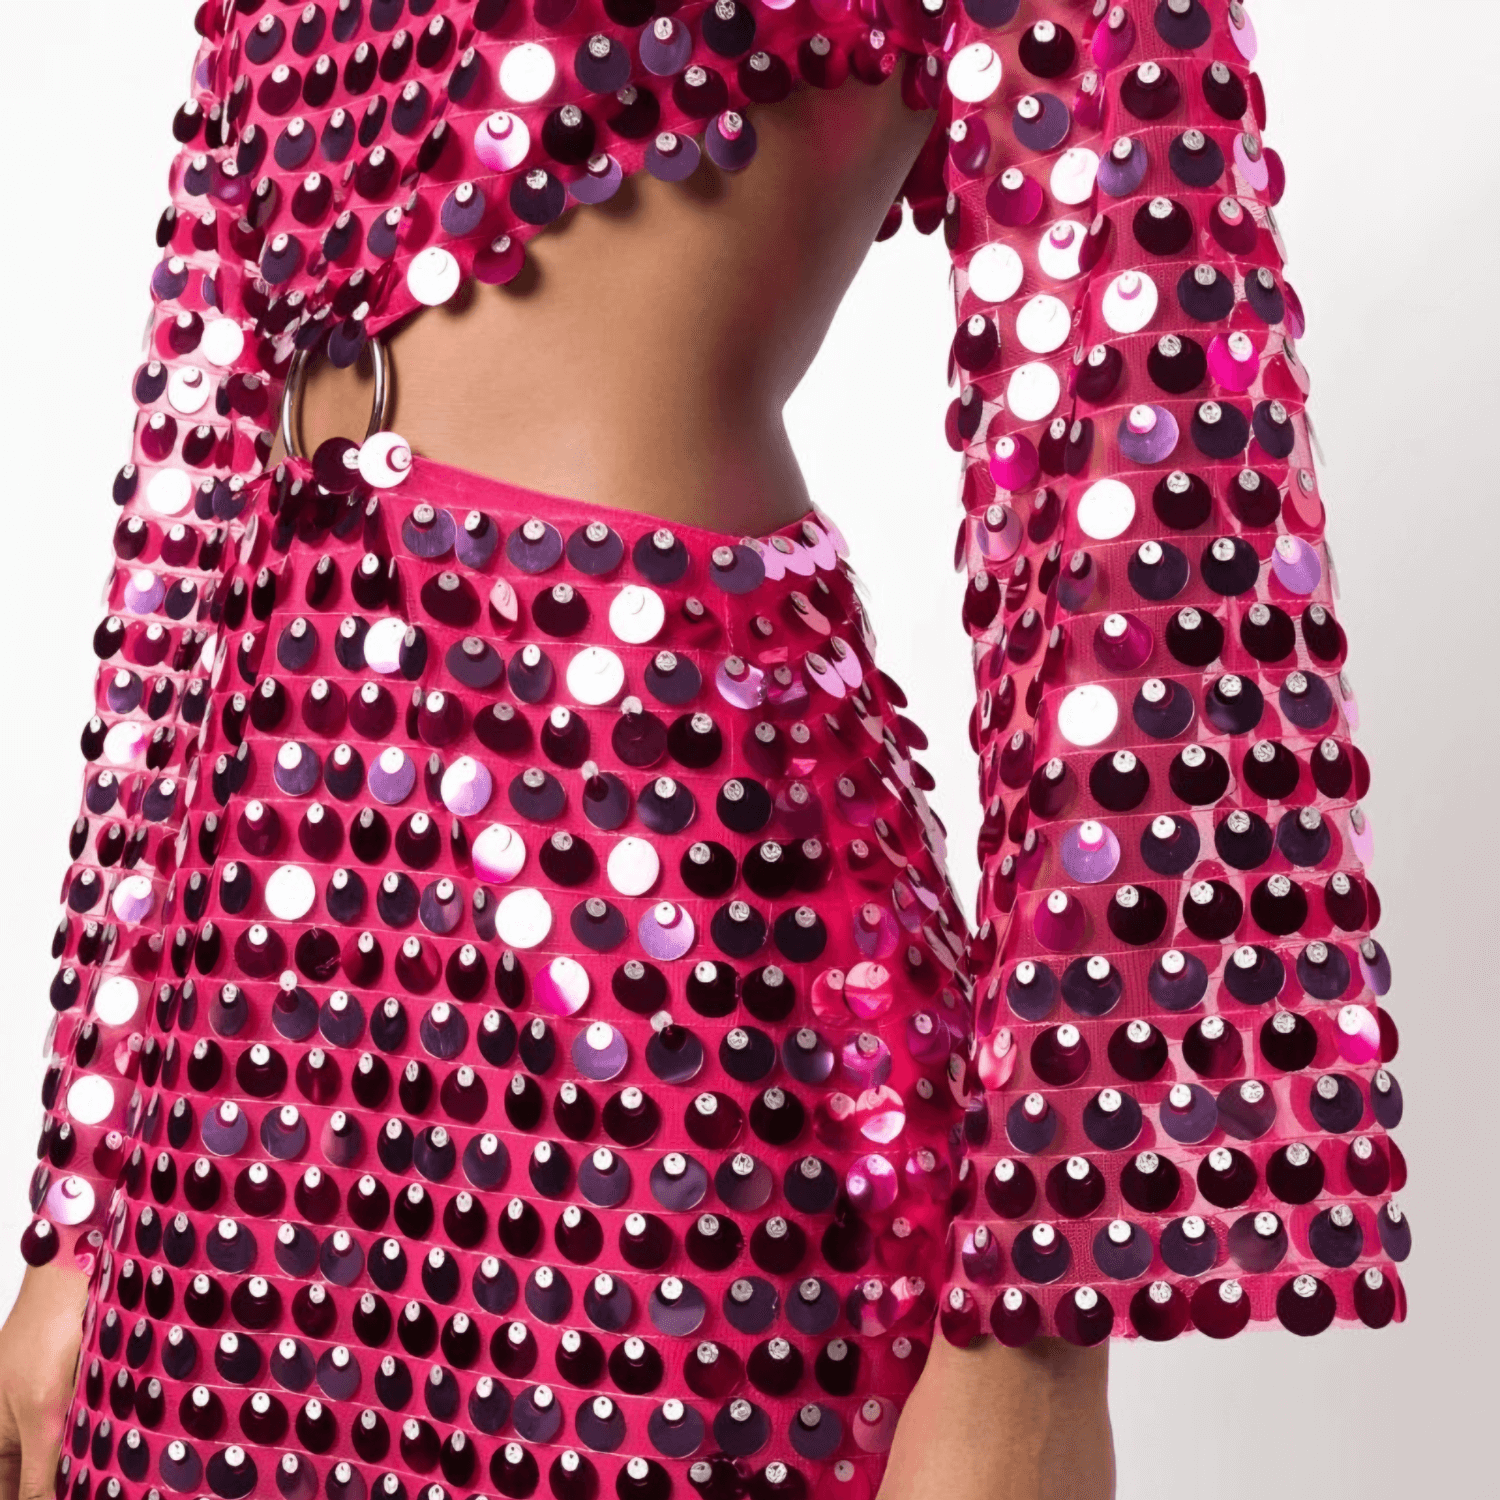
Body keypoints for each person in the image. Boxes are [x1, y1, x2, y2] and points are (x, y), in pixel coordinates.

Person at [0, 3, 1406, 1500]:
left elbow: (1152, 559)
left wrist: (1032, 1346)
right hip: (244, 1002)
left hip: (671, 956)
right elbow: (198, 483)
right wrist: (85, 1191)